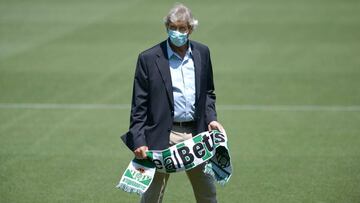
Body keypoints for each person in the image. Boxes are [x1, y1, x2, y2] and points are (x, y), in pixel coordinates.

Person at [121, 3, 224, 203]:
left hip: (197, 135)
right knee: (152, 197)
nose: (177, 32)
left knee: (207, 193)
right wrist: (139, 140)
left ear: (190, 29)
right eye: (173, 28)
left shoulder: (203, 53)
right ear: (167, 27)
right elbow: (139, 105)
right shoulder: (149, 58)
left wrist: (211, 118)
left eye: (182, 28)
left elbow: (208, 92)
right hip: (161, 136)